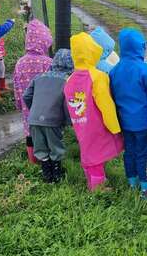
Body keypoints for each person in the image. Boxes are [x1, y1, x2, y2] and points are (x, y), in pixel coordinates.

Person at [109, 28, 147, 197]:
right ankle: (146, 187)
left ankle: (132, 182)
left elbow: (113, 97)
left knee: (130, 151)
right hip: (143, 123)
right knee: (143, 153)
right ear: (139, 47)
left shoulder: (114, 71)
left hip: (125, 122)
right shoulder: (146, 71)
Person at [64, 32, 122, 192]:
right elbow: (106, 104)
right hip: (97, 124)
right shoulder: (98, 77)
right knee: (97, 155)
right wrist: (114, 127)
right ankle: (98, 188)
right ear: (92, 50)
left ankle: (92, 180)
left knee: (88, 151)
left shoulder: (70, 79)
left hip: (80, 123)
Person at [23, 49, 73, 183]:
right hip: (53, 120)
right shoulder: (67, 81)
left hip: (33, 119)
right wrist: (68, 121)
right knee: (55, 146)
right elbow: (67, 105)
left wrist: (34, 110)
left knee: (40, 147)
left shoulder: (39, 77)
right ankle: (56, 175)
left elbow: (26, 96)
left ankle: (46, 174)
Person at [12, 19, 53, 164]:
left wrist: (18, 103)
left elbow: (16, 85)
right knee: (46, 133)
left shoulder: (20, 62)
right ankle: (48, 161)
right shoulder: (47, 62)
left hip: (27, 106)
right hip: (46, 108)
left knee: (29, 133)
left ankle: (32, 161)